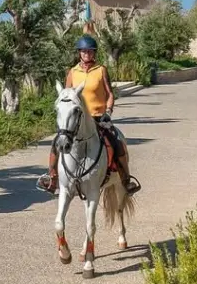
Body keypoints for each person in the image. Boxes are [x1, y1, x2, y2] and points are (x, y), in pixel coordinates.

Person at [37, 35, 138, 195]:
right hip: (78, 120)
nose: (87, 54)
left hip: (98, 117)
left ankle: (126, 180)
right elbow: (66, 95)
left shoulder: (101, 70)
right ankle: (52, 178)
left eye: (90, 51)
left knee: (117, 142)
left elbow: (110, 94)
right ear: (79, 53)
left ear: (94, 53)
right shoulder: (73, 72)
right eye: (84, 51)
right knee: (57, 143)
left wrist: (108, 112)